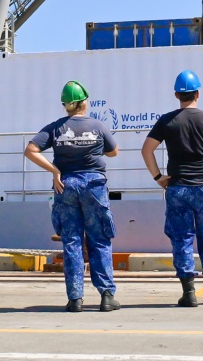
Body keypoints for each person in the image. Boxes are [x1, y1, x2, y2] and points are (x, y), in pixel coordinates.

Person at [141, 70, 203, 308]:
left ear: (177, 94)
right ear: (197, 93)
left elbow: (146, 150)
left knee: (182, 238)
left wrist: (158, 177)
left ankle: (189, 293)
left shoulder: (166, 120)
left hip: (177, 189)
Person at [25, 80, 121, 313]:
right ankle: (107, 296)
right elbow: (114, 152)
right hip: (94, 186)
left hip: (65, 185)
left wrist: (54, 171)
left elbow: (30, 150)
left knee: (72, 242)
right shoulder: (97, 125)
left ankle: (75, 298)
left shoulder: (55, 127)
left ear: (66, 105)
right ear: (84, 102)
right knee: (99, 240)